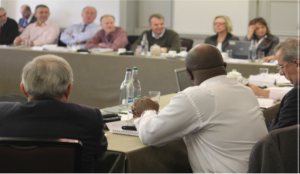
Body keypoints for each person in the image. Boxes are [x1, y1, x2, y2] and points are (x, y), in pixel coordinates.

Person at [132, 44, 268, 173]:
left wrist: (147, 111)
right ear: (225, 66)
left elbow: (149, 134)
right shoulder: (246, 91)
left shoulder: (196, 96)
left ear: (188, 74)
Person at [0, 54, 107, 173]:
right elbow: (98, 153)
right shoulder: (91, 117)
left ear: (23, 89)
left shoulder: (2, 114)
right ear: (69, 90)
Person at [247, 38, 299, 132]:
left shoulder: (296, 95)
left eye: (282, 66)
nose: (281, 73)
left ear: (296, 63)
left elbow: (279, 135)